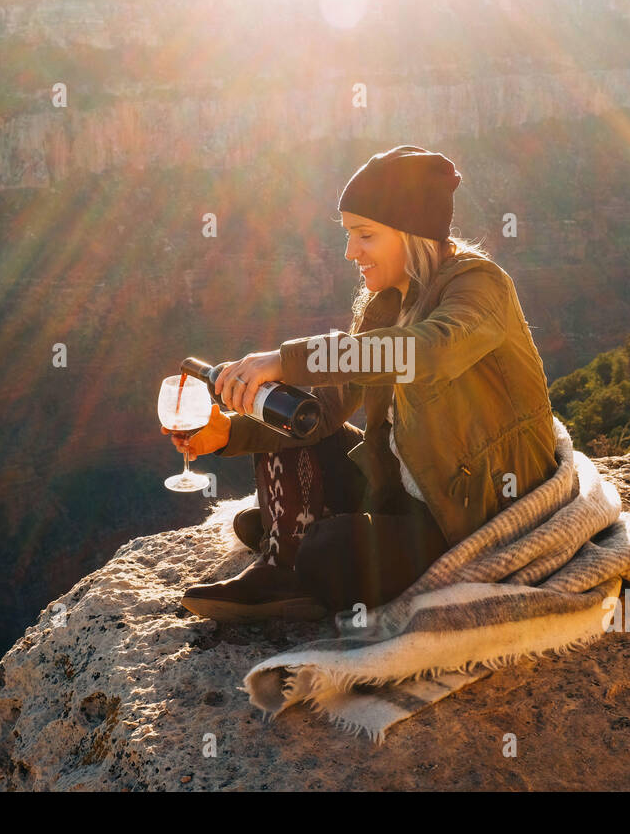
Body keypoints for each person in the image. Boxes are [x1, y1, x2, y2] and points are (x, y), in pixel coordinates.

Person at [164, 145, 558, 623]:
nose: (351, 251)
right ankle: (283, 559)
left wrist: (287, 360)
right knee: (290, 418)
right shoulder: (387, 301)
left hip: (466, 507)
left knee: (329, 552)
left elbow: (426, 351)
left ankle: (299, 546)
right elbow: (326, 411)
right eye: (349, 234)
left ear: (412, 235)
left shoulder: (479, 287)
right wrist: (227, 433)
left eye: (365, 235)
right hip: (400, 485)